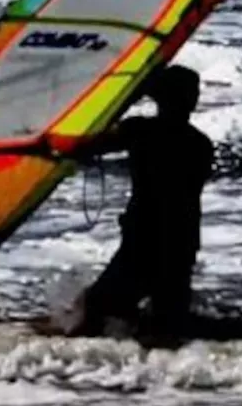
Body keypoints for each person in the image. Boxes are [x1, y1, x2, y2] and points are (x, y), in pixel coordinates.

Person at [63, 64, 212, 337]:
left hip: (144, 240)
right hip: (181, 242)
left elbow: (89, 144)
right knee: (167, 322)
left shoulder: (141, 131)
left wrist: (129, 96)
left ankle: (79, 355)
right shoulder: (200, 144)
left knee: (94, 306)